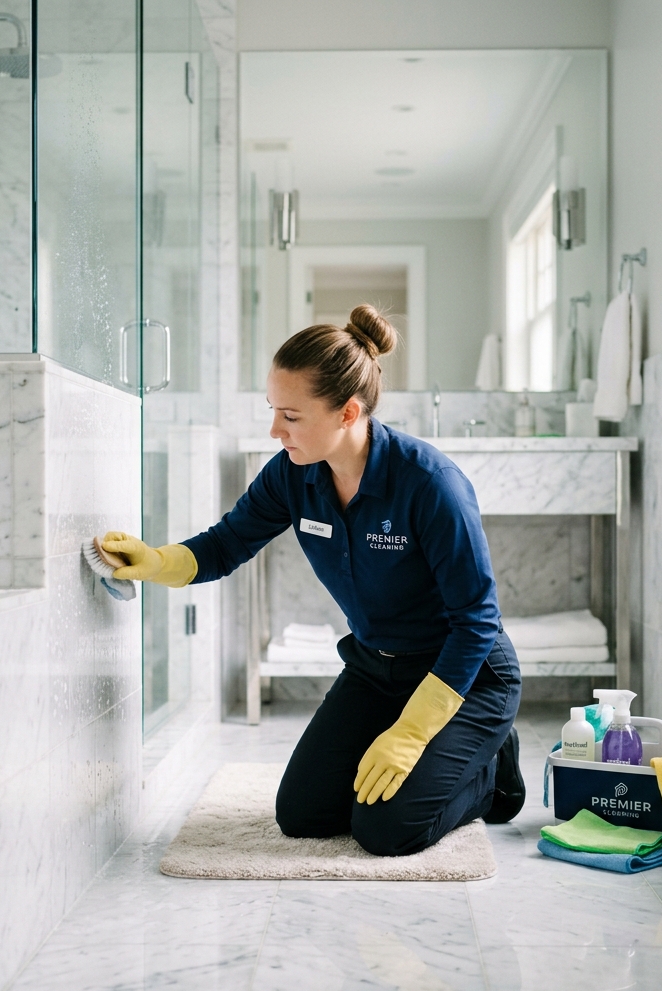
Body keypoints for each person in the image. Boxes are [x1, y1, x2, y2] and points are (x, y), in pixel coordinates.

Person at [102, 305, 525, 856]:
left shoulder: (430, 484)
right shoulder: (292, 474)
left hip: (466, 678)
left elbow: (476, 623)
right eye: (273, 410)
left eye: (292, 416)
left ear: (348, 413)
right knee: (304, 815)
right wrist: (155, 561)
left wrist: (413, 732)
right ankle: (440, 757)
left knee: (386, 829)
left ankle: (492, 773)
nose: (276, 430)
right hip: (377, 670)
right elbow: (228, 543)